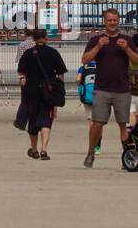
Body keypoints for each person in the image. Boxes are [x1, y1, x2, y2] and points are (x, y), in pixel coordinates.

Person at [81, 9, 138, 167]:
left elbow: (136, 60)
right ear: (104, 21)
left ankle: (128, 157)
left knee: (123, 124)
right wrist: (98, 46)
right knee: (97, 123)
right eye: (109, 20)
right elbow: (84, 60)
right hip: (102, 89)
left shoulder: (127, 39)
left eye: (115, 20)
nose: (112, 23)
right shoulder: (96, 40)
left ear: (118, 21)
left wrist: (127, 48)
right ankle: (91, 152)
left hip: (122, 89)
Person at [16, 28, 67, 160]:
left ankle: (34, 149)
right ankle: (44, 149)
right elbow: (61, 72)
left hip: (31, 92)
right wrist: (59, 88)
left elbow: (21, 72)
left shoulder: (28, 53)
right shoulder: (53, 52)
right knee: (46, 120)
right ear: (46, 38)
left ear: (33, 39)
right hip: (48, 92)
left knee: (33, 120)